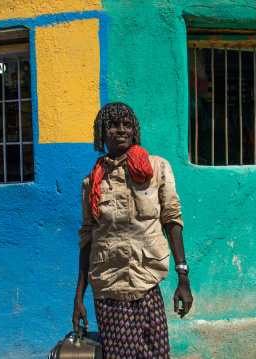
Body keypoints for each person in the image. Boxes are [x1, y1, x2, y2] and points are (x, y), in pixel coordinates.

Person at [72, 102, 193, 359]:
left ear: (134, 131)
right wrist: (78, 299)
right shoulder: (92, 182)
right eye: (113, 125)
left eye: (126, 125)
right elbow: (87, 239)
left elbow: (172, 219)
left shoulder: (156, 168)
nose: (120, 130)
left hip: (147, 285)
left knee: (157, 355)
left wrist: (183, 276)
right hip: (109, 290)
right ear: (102, 133)